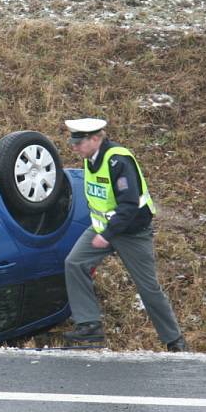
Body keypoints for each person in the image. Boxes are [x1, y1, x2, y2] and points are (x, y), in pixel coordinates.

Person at [61, 117, 186, 352]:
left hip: (131, 233)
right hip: (103, 229)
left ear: (96, 138)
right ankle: (89, 326)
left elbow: (129, 205)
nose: (74, 147)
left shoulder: (118, 161)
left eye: (78, 142)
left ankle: (175, 341)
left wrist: (107, 234)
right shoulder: (90, 158)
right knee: (74, 263)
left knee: (147, 287)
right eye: (72, 142)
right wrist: (104, 232)